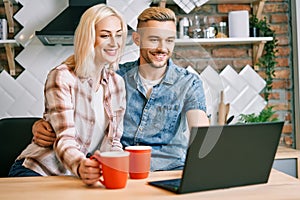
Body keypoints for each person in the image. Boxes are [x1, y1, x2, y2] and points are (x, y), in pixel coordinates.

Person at [32, 7, 210, 171]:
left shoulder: (188, 83)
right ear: (137, 39)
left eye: (169, 40)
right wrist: (40, 125)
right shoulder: (116, 77)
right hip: (122, 170)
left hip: (169, 170)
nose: (162, 48)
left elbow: (201, 132)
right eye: (154, 39)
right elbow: (69, 115)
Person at [8, 4, 128, 186]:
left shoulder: (116, 83)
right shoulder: (63, 77)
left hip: (75, 175)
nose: (114, 42)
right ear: (89, 39)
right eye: (105, 35)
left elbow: (113, 142)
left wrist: (115, 167)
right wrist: (81, 166)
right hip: (39, 171)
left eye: (118, 35)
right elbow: (65, 139)